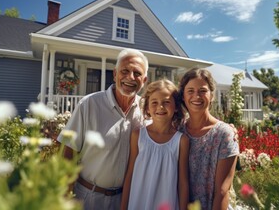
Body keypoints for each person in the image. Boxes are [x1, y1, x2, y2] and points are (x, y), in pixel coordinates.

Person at [57, 49, 148, 210]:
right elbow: (67, 153)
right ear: (115, 74)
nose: (130, 77)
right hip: (87, 198)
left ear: (145, 80)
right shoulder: (89, 104)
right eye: (125, 71)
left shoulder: (147, 111)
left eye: (137, 73)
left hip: (126, 200)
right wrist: (64, 198)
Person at [121, 79, 189, 210]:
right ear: (147, 107)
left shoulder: (181, 141)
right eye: (154, 102)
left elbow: (183, 183)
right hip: (138, 203)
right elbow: (130, 174)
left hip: (166, 204)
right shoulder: (138, 136)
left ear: (175, 107)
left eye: (166, 102)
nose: (160, 107)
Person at [178, 68, 239, 210]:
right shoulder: (176, 131)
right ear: (183, 96)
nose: (196, 96)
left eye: (202, 91)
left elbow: (223, 191)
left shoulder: (224, 134)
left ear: (212, 95)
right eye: (190, 91)